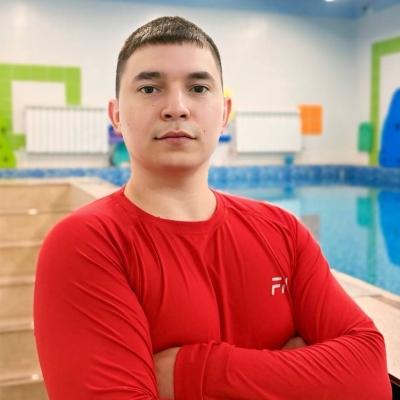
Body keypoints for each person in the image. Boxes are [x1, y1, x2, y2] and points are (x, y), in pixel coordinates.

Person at [34, 16, 392, 399]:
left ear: (224, 113)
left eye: (198, 88)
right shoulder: (87, 244)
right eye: (150, 88)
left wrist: (192, 373)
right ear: (116, 115)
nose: (176, 108)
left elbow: (370, 377)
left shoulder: (282, 232)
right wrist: (295, 373)